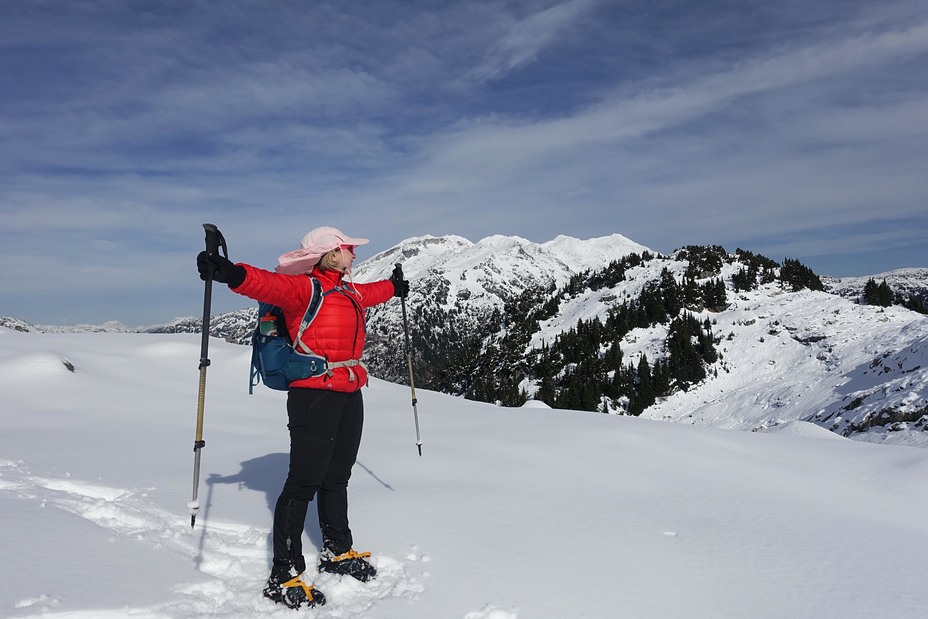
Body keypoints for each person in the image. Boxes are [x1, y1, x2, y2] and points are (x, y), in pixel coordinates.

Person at [197, 226, 409, 609]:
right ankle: (284, 572)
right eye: (347, 249)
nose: (353, 255)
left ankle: (337, 550)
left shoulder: (349, 290)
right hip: (314, 395)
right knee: (302, 483)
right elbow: (265, 285)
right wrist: (228, 272)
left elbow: (374, 293)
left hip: (349, 391)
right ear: (331, 254)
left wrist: (394, 287)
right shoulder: (304, 289)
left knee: (337, 476)